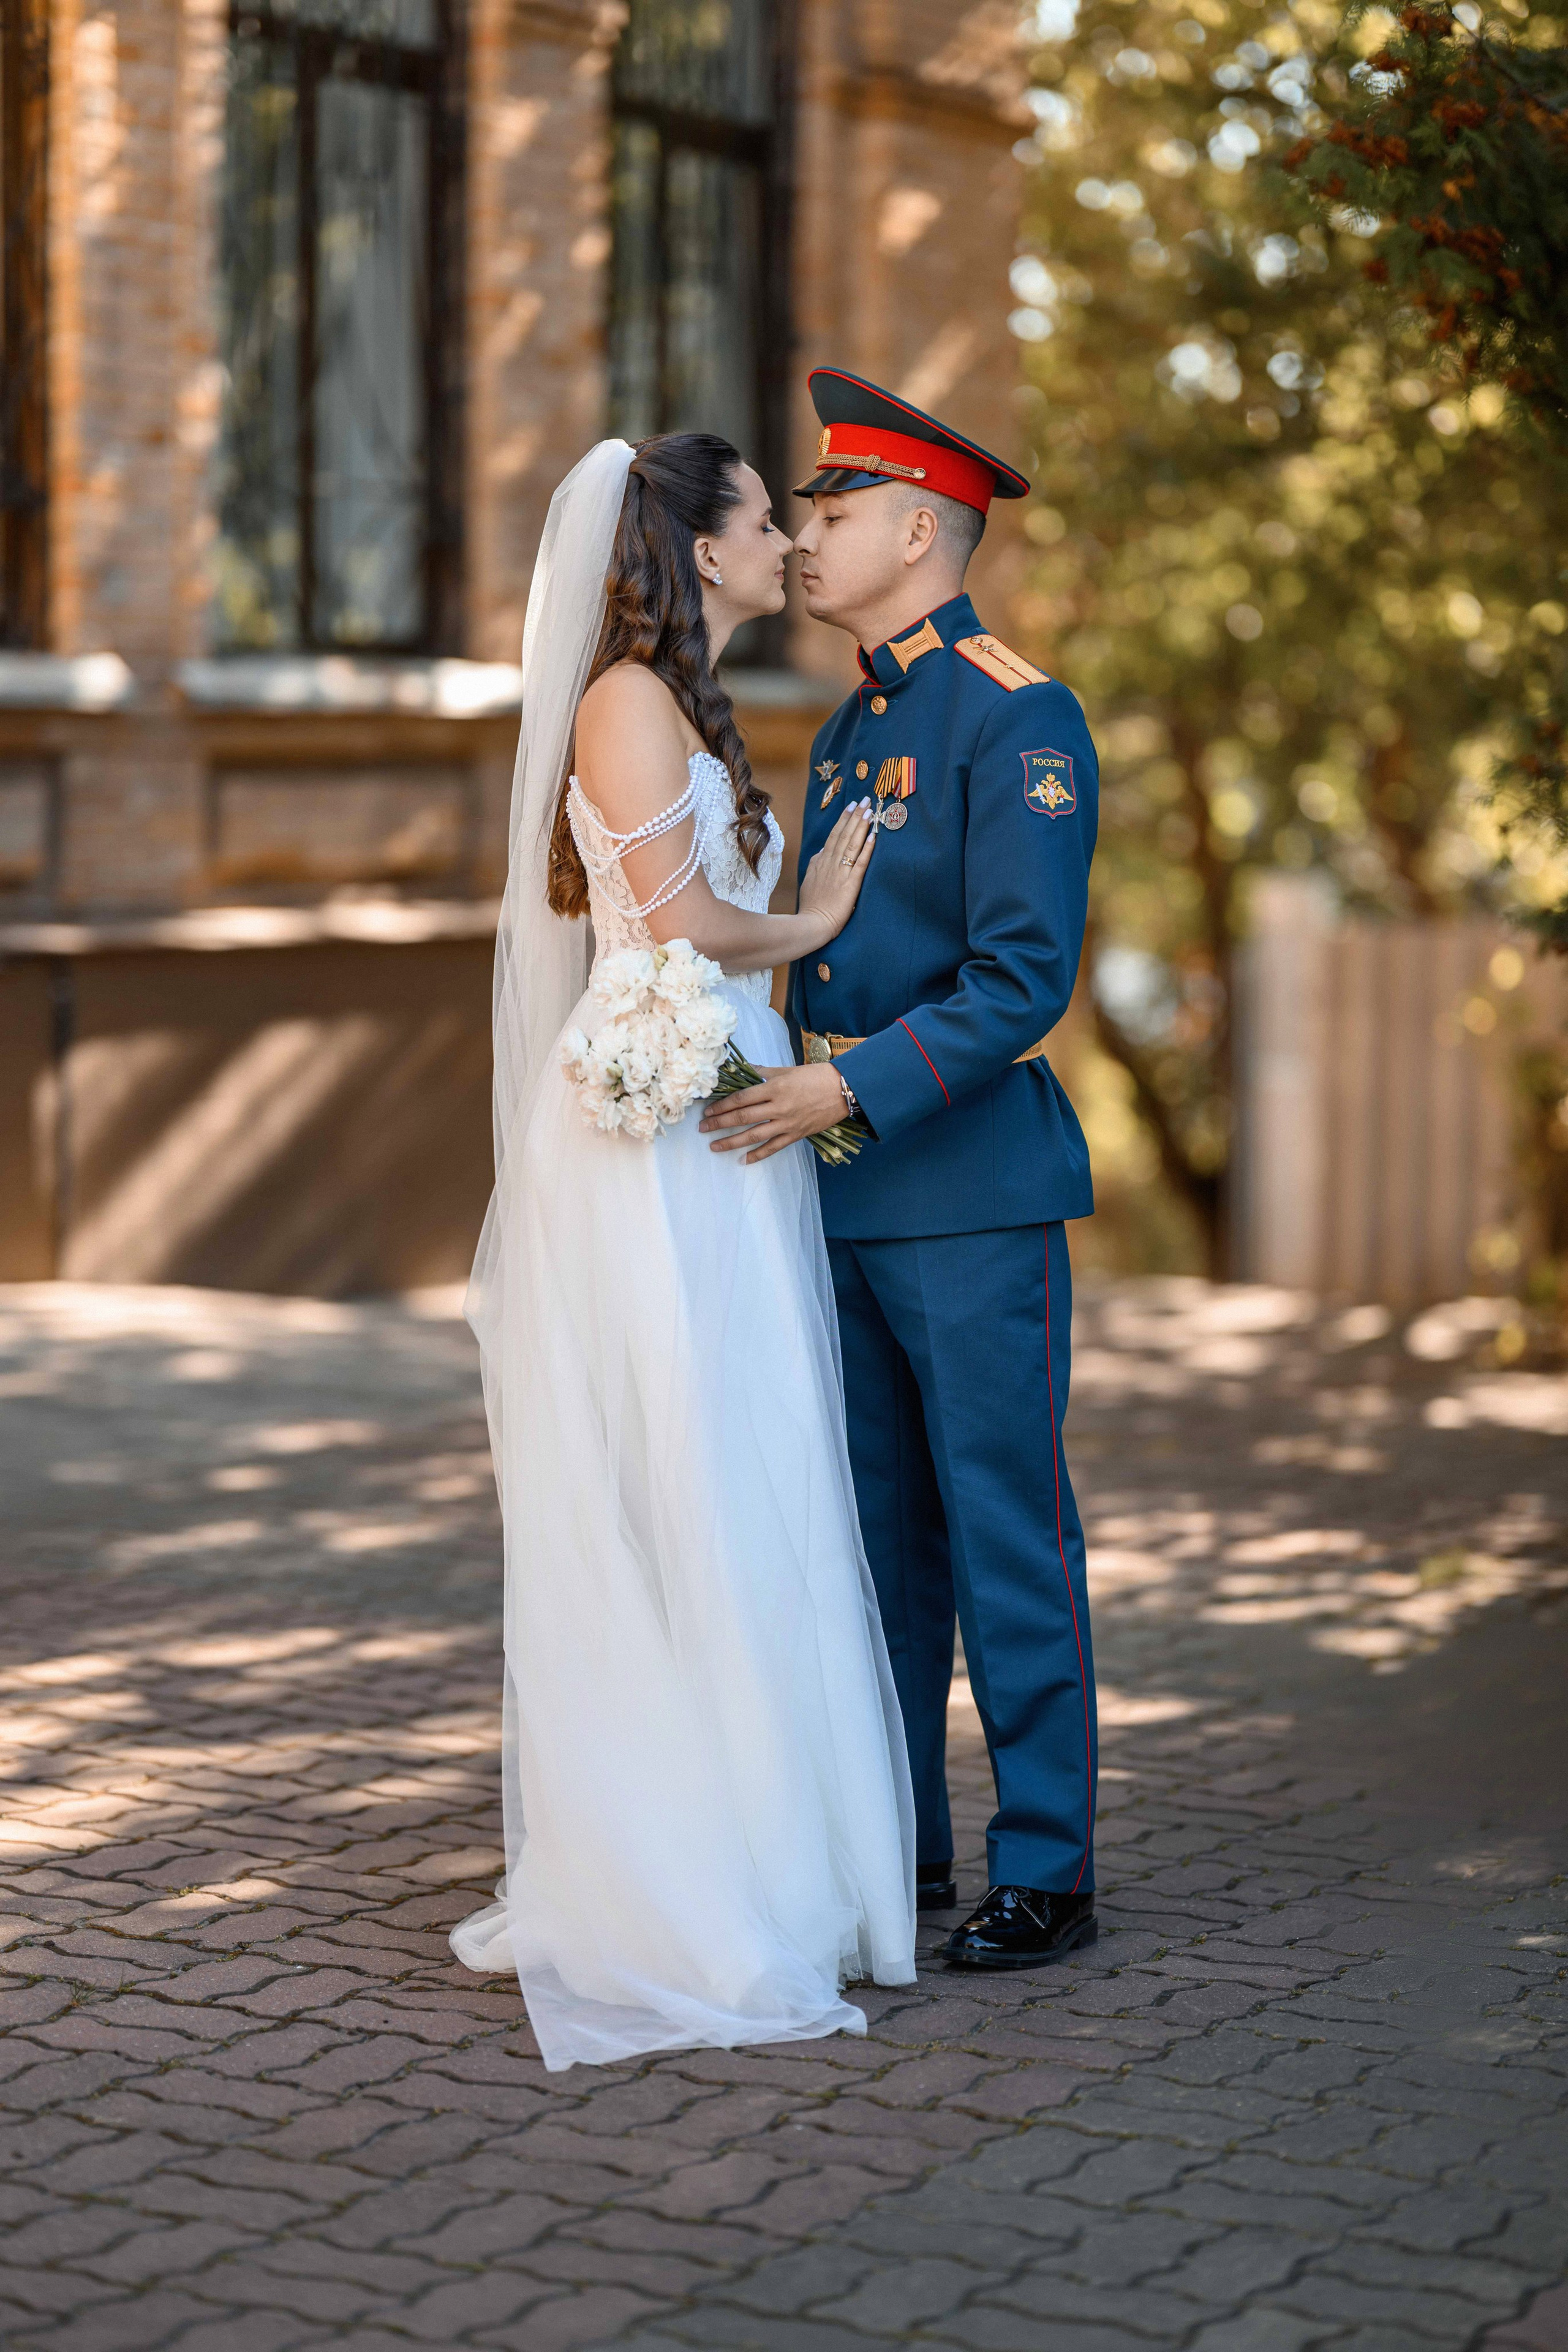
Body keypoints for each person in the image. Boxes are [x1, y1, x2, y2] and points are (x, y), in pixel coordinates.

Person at [447, 431, 916, 2069]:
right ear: (695, 546)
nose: (789, 535)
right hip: (664, 1136)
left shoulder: (679, 694)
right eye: (764, 517)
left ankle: (774, 1842)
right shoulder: (629, 694)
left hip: (716, 1112)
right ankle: (692, 1872)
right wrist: (819, 923)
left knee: (751, 1466)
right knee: (698, 1471)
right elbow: (682, 926)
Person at [701, 370, 1100, 1971]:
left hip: (971, 1195)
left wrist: (839, 1090)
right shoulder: (862, 716)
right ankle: (905, 1851)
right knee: (875, 1544)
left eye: (837, 513)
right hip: (848, 1191)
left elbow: (1022, 980)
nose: (805, 537)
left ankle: (1049, 1866)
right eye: (806, 512)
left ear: (925, 530)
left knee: (1003, 1529)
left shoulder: (1016, 712)